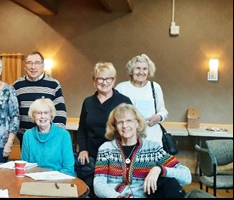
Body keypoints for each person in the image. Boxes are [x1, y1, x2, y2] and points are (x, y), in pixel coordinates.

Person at [94, 104, 190, 198]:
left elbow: (186, 176)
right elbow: (99, 184)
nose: (125, 125)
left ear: (137, 123)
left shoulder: (153, 149)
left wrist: (160, 170)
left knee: (170, 183)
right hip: (115, 196)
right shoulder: (106, 149)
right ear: (115, 126)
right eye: (120, 122)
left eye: (129, 121)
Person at [75, 62, 133, 197]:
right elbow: (82, 129)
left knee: (111, 191)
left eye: (109, 78)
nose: (104, 82)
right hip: (92, 156)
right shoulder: (88, 102)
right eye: (100, 78)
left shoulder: (123, 101)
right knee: (92, 190)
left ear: (114, 80)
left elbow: (131, 131)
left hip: (116, 156)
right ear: (94, 81)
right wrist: (83, 149)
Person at [13, 51, 66, 146]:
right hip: (25, 138)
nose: (33, 67)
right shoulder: (17, 85)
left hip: (49, 138)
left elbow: (61, 112)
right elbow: (13, 113)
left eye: (37, 63)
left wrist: (55, 136)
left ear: (43, 65)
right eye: (29, 63)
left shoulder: (53, 84)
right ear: (25, 66)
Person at [115, 54, 167, 146]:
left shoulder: (154, 87)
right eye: (137, 68)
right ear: (131, 71)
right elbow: (114, 114)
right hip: (128, 138)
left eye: (145, 69)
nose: (141, 72)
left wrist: (158, 117)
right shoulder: (121, 88)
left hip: (152, 137)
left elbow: (163, 110)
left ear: (149, 71)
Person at [20, 98, 75, 176]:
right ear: (33, 116)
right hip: (33, 180)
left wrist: (51, 178)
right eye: (38, 113)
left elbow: (68, 169)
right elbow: (24, 166)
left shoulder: (64, 135)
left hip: (58, 180)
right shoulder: (28, 135)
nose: (43, 116)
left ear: (51, 115)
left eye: (46, 113)